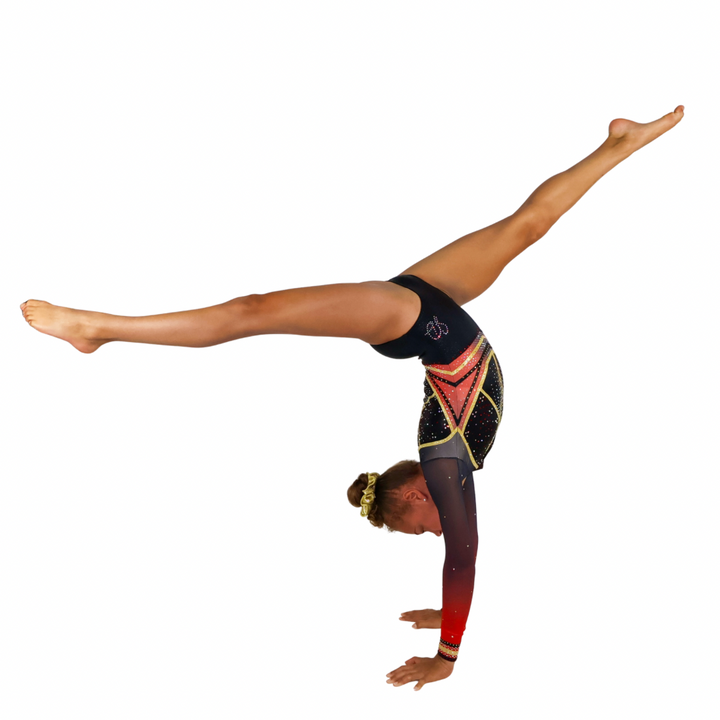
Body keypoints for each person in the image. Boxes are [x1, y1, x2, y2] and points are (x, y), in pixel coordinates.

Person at [19, 106, 685, 690]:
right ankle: (618, 144)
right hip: (433, 311)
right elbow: (462, 560)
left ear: (417, 496)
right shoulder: (451, 464)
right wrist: (450, 615)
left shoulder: (445, 462)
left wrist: (447, 656)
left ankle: (98, 329)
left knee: (252, 311)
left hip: (411, 321)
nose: (434, 532)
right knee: (528, 226)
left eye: (418, 527)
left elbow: (462, 555)